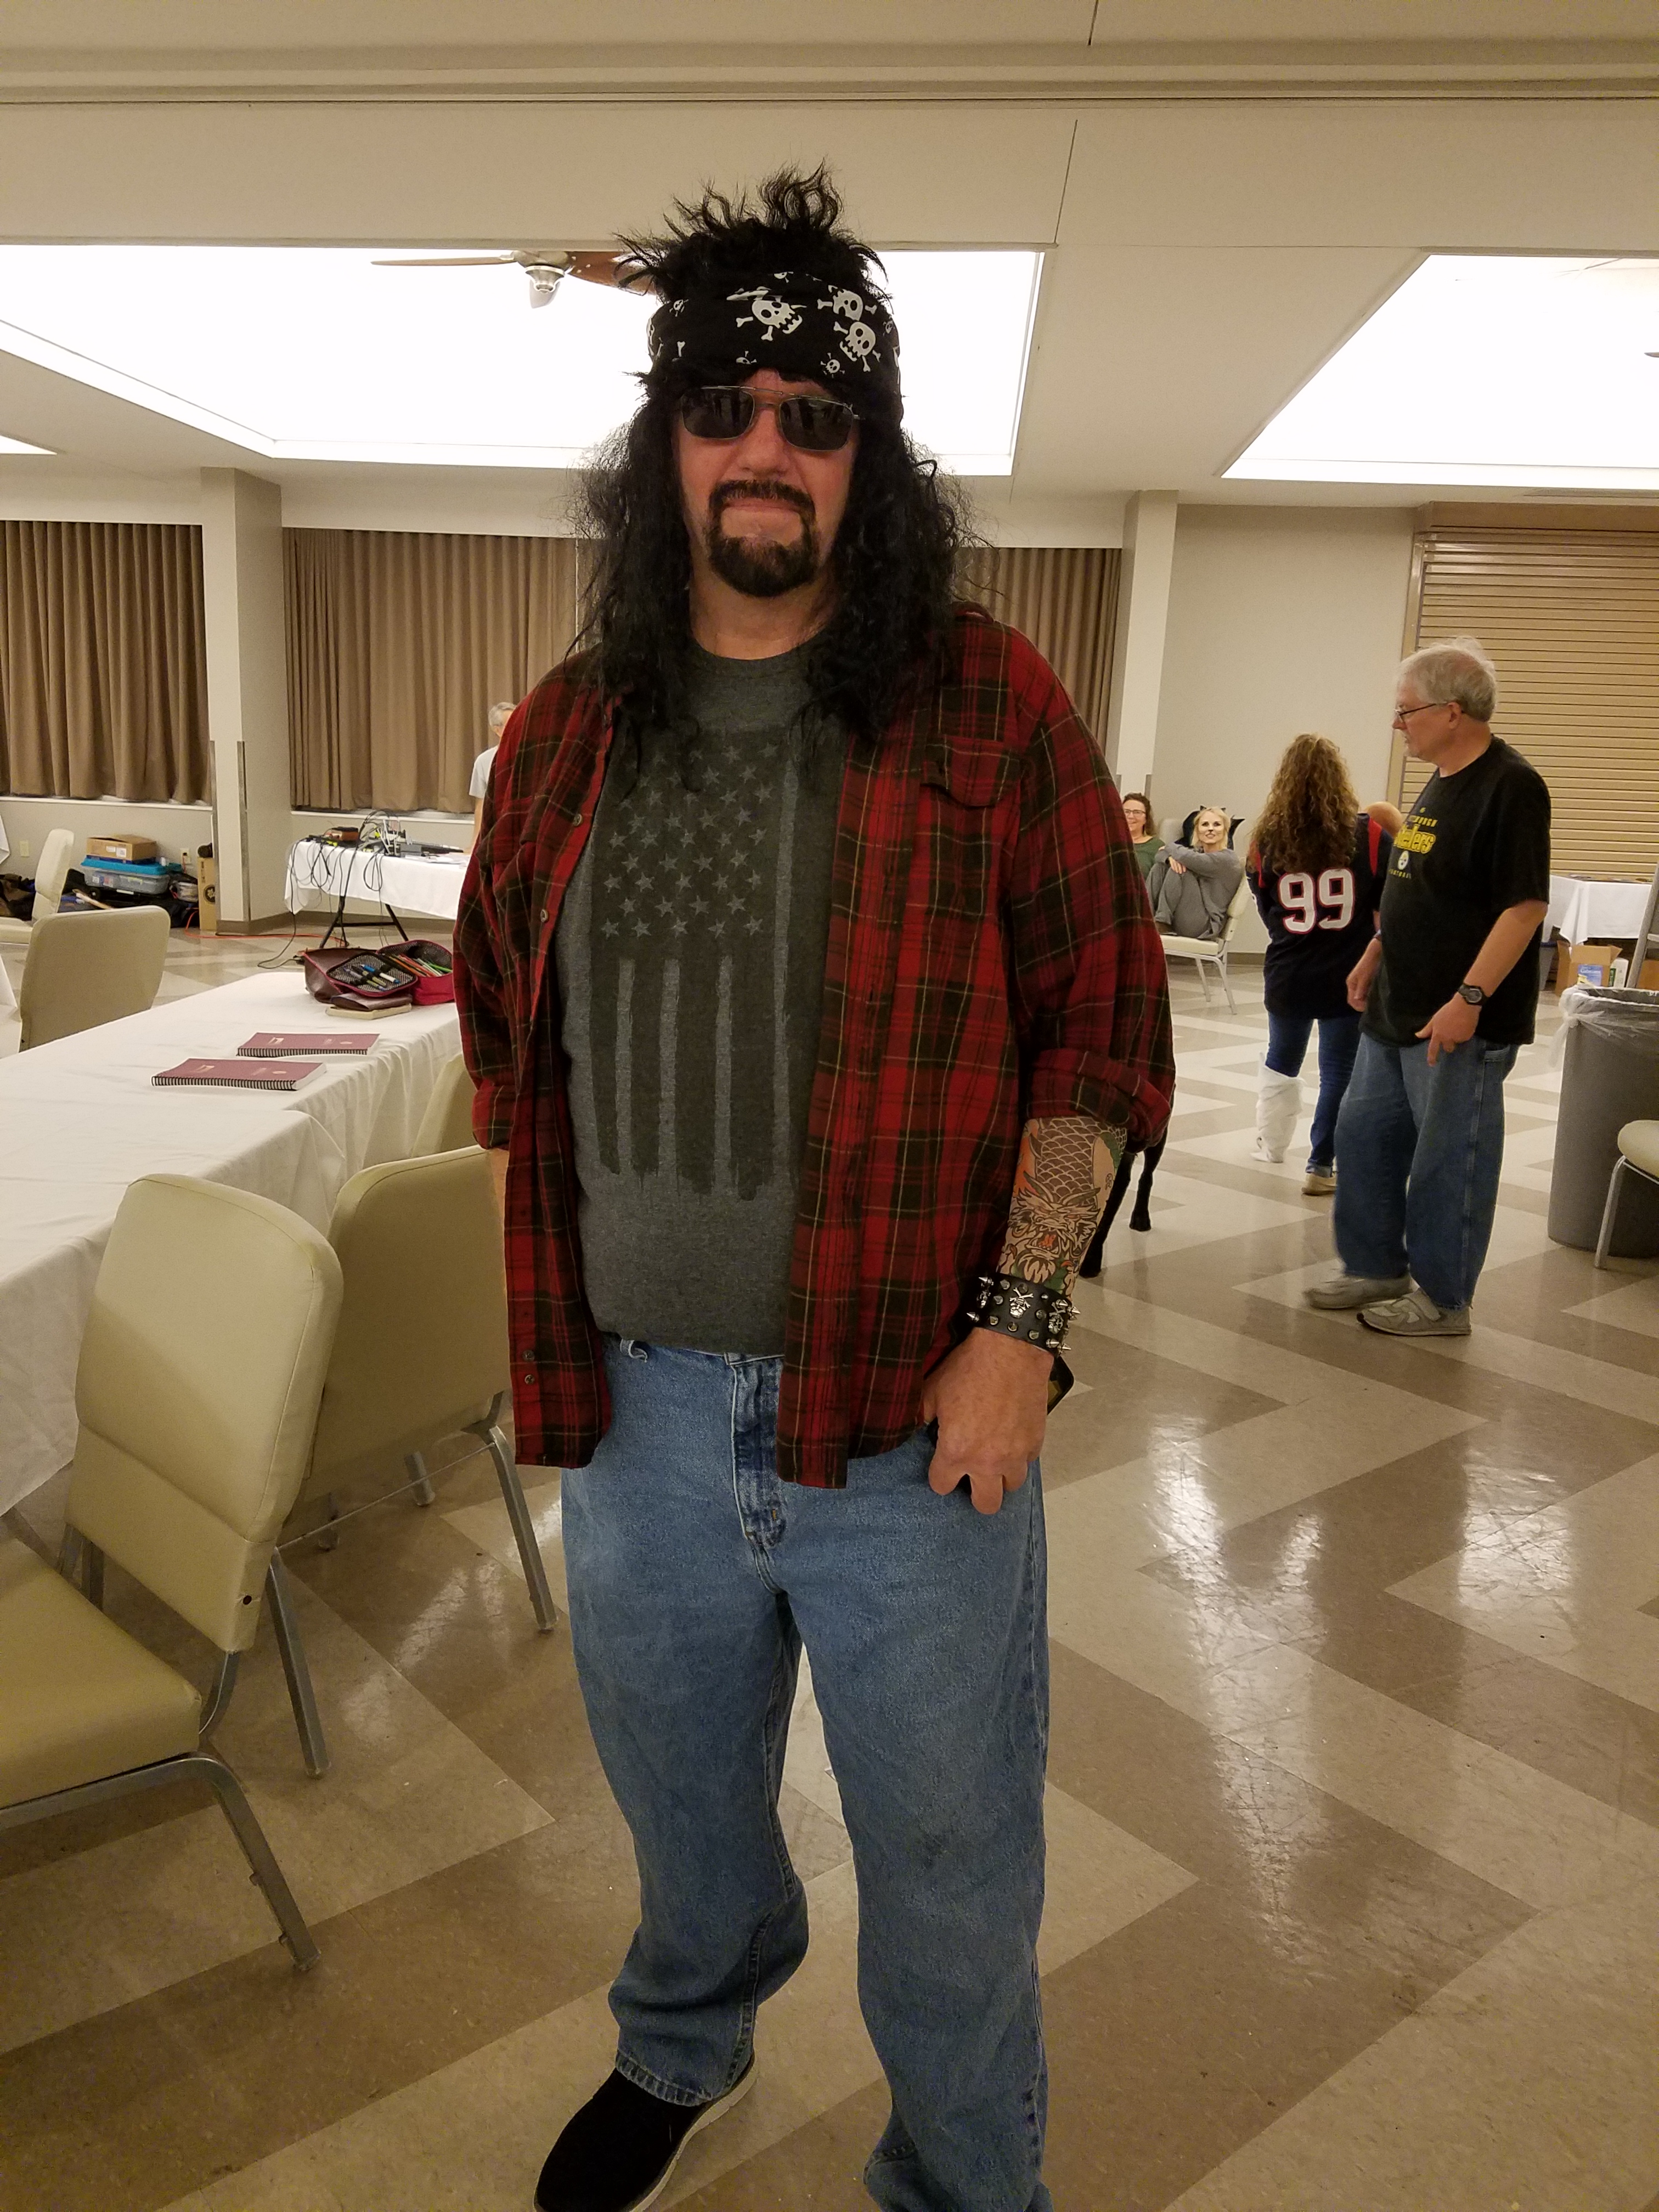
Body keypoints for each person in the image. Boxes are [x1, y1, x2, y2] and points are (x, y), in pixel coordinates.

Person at [455, 168, 1174, 2212]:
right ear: (663, 443)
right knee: (681, 1809)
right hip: (638, 1423)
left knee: (947, 1860)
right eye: (723, 404)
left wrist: (1016, 1327)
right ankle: (685, 2037)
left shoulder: (986, 701)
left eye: (814, 414)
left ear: (871, 461)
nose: (764, 445)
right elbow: (503, 1016)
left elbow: (1099, 1034)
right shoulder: (570, 728)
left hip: (908, 1426)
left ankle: (961, 2179)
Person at [1305, 636, 1549, 1336]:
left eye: (1406, 710)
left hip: (1457, 1016)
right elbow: (1421, 880)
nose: (1397, 723)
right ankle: (1376, 1266)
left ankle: (1444, 1299)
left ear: (1452, 710)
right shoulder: (1441, 777)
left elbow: (1524, 906)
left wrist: (1469, 1000)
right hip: (1396, 1005)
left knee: (1449, 1162)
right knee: (1365, 1138)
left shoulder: (1512, 787)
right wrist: (1377, 948)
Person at [1247, 734, 1392, 1196]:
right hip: (1349, 970)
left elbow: (1265, 905)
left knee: (1281, 1060)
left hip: (1289, 968)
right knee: (1339, 1071)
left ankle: (1271, 1146)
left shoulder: (1265, 841)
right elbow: (1389, 900)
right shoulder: (1370, 836)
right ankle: (1321, 1165)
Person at [1147, 804, 1243, 941]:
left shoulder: (1227, 859)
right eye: (1205, 824)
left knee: (1181, 868)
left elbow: (1185, 857)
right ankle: (1145, 918)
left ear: (1225, 830)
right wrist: (1168, 858)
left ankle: (1162, 921)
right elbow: (1160, 856)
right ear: (1197, 831)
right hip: (1184, 915)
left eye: (1217, 825)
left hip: (1203, 925)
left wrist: (1169, 847)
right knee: (1160, 867)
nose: (1211, 829)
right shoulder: (1198, 853)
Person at [469, 700, 517, 839]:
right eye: (512, 723)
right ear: (497, 730)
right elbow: (481, 806)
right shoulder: (484, 761)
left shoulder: (533, 755)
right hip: (496, 833)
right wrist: (475, 842)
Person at [1120, 789, 1164, 882]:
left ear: (1146, 819)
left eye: (1137, 812)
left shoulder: (1157, 846)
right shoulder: (1108, 842)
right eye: (1126, 812)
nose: (1131, 816)